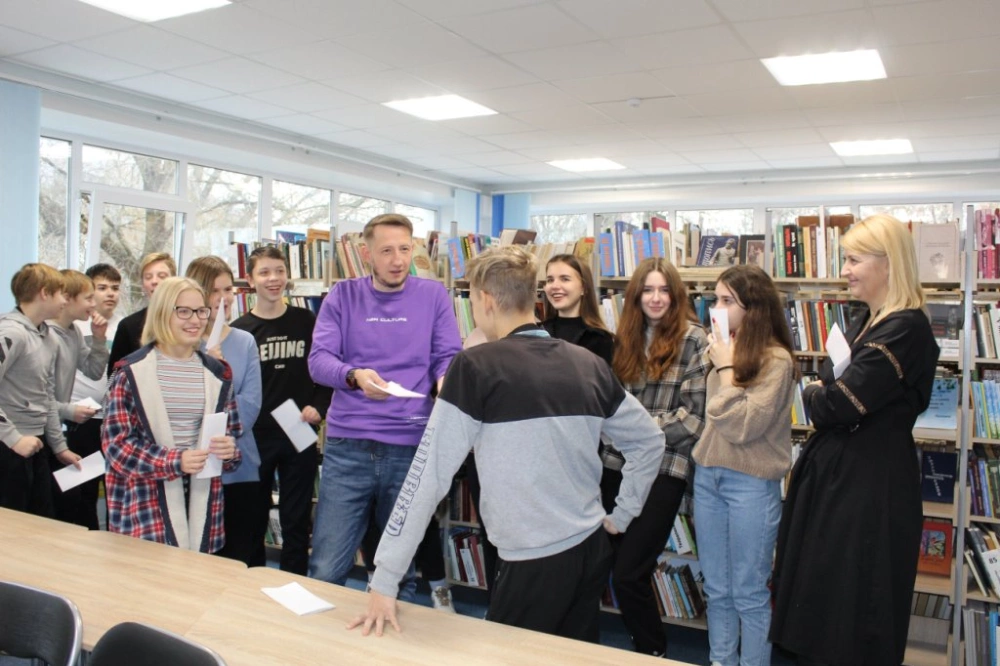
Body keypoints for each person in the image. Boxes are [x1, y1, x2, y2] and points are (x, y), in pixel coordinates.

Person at [349, 246, 665, 640]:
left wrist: (384, 580)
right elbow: (649, 441)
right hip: (590, 549)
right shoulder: (588, 364)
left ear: (485, 299)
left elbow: (428, 475)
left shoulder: (475, 366)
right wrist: (623, 514)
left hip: (532, 561)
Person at [770, 215, 939, 666]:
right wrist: (823, 392)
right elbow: (834, 387)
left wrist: (815, 393)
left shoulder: (905, 328)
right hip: (843, 478)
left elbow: (834, 404)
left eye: (853, 260)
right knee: (827, 597)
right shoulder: (870, 320)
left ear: (889, 263)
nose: (845, 270)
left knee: (852, 600)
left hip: (867, 486)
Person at [307, 213, 462, 601]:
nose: (398, 260)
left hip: (409, 445)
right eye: (387, 251)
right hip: (348, 445)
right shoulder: (342, 296)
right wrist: (354, 376)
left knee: (398, 571)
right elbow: (319, 361)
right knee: (326, 566)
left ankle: (390, 636)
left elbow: (447, 355)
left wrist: (445, 381)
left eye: (405, 249)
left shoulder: (433, 296)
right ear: (367, 254)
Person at [692, 264, 797, 666]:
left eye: (726, 301)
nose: (715, 309)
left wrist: (726, 369)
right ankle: (721, 661)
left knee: (749, 593)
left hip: (751, 484)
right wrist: (723, 362)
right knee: (717, 590)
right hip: (709, 477)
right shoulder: (725, 348)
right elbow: (714, 417)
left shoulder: (777, 360)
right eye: (715, 299)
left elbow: (742, 426)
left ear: (752, 308)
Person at [605, 257, 708, 657]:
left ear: (676, 295)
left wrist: (638, 430)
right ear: (635, 295)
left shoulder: (694, 339)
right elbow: (608, 408)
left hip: (667, 467)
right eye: (647, 290)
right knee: (601, 565)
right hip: (616, 463)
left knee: (629, 573)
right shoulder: (623, 339)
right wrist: (630, 431)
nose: (656, 298)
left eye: (664, 290)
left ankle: (653, 651)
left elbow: (693, 420)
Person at [102, 277, 241, 552]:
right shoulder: (129, 373)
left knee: (198, 577)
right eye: (184, 311)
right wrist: (175, 461)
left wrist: (229, 451)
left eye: (201, 311)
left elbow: (232, 436)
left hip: (202, 504)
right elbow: (116, 448)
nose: (195, 320)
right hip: (146, 507)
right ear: (162, 313)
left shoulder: (218, 374)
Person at [231, 245, 332, 573]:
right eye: (264, 272)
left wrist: (319, 407)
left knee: (296, 517)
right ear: (250, 280)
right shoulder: (239, 330)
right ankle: (252, 580)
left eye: (279, 271)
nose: (273, 279)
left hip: (298, 429)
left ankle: (295, 582)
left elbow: (325, 372)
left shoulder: (306, 321)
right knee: (252, 516)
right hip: (254, 436)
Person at [186, 256, 262, 565]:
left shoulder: (245, 341)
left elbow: (250, 405)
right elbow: (182, 408)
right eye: (214, 291)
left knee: (243, 558)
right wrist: (208, 367)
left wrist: (222, 375)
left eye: (228, 289)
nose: (223, 298)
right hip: (194, 466)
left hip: (239, 467)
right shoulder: (181, 344)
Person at [0, 264, 80, 516]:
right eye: (61, 294)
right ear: (44, 293)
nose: (65, 301)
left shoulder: (49, 337)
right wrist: (14, 439)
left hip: (36, 444)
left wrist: (59, 447)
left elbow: (46, 397)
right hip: (9, 445)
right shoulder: (11, 333)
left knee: (40, 521)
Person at [46, 269, 110, 525]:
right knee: (63, 505)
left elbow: (93, 370)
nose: (94, 304)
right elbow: (38, 397)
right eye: (88, 298)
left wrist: (99, 339)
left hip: (64, 428)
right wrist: (69, 410)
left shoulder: (72, 331)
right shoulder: (46, 336)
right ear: (68, 298)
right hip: (49, 431)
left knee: (81, 500)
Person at [64, 263, 122, 529]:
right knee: (82, 492)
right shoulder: (75, 327)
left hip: (112, 422)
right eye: (102, 288)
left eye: (115, 288)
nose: (110, 293)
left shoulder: (123, 327)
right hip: (81, 421)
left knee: (114, 489)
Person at [107, 252, 175, 376]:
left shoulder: (188, 321)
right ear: (143, 285)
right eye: (148, 277)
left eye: (162, 276)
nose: (154, 281)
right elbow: (114, 376)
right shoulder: (128, 326)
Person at [541, 253, 614, 365]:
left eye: (565, 279)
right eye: (550, 280)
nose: (555, 286)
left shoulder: (599, 339)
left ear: (583, 288)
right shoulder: (538, 332)